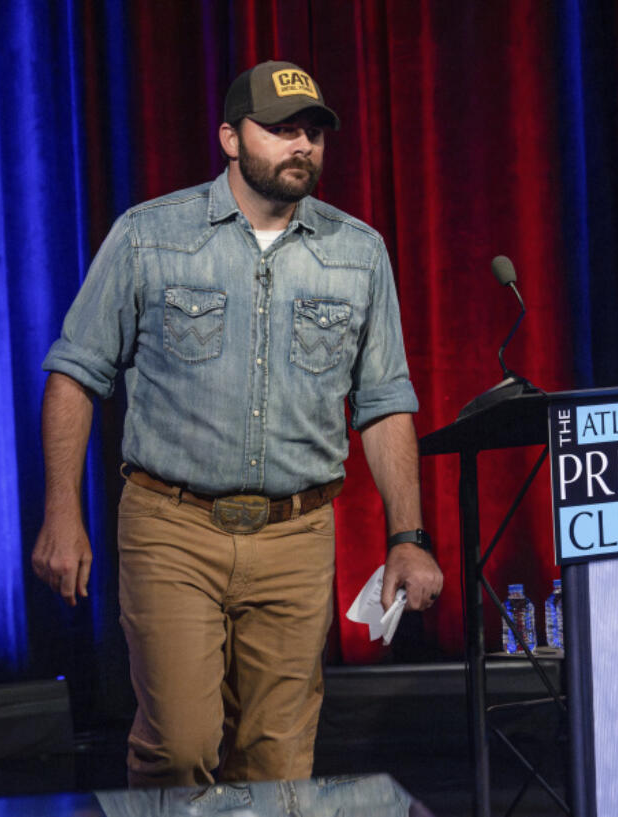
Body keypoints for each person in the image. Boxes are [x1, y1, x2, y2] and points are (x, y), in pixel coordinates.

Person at [32, 60, 443, 787]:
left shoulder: (357, 251)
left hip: (296, 537)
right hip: (173, 527)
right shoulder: (148, 236)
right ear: (229, 136)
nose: (303, 146)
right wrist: (62, 509)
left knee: (278, 764)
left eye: (314, 132)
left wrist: (407, 538)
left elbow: (384, 403)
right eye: (282, 130)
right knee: (181, 747)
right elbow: (76, 373)